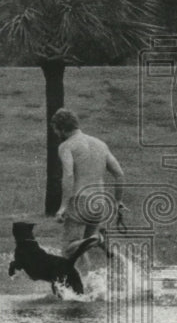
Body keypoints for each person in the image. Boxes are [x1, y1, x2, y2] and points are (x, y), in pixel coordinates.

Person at [51, 109, 124, 265]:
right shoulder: (100, 144)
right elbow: (119, 174)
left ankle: (98, 239)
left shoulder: (67, 146)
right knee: (81, 247)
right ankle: (86, 283)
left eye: (56, 130)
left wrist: (63, 206)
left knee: (68, 248)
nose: (56, 134)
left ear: (61, 128)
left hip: (79, 202)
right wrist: (117, 202)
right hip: (99, 203)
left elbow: (69, 175)